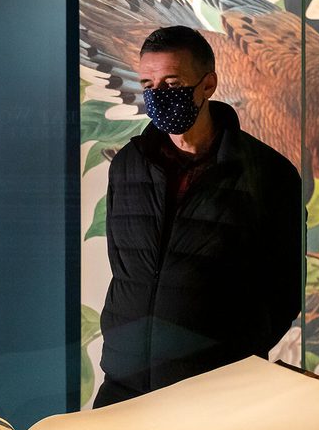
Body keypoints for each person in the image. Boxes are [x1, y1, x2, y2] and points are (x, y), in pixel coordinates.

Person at [93, 25, 303, 408]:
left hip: (216, 391)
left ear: (208, 85)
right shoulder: (128, 165)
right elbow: (123, 267)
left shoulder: (268, 173)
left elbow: (285, 290)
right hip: (124, 383)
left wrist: (234, 353)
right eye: (148, 83)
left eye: (171, 82)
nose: (158, 95)